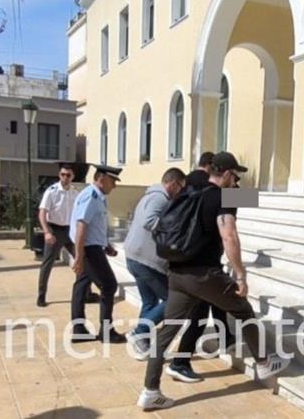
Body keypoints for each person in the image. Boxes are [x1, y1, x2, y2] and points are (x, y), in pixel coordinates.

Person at [137, 152, 290, 411]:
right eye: (236, 177)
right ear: (228, 174)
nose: (236, 182)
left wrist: (248, 196)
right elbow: (229, 236)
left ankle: (150, 391)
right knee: (243, 309)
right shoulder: (222, 197)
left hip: (177, 273)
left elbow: (252, 199)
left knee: (167, 332)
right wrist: (240, 275)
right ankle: (264, 362)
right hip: (204, 273)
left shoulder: (189, 190)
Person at [167, 150, 235, 383]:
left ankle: (224, 337)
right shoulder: (212, 190)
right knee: (202, 311)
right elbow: (233, 213)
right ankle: (180, 361)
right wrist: (235, 193)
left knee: (206, 306)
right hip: (202, 261)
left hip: (184, 258)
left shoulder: (187, 183)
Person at [124, 167, 188, 359]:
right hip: (145, 260)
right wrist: (174, 229)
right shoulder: (160, 198)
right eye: (181, 187)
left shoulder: (150, 195)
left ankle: (141, 343)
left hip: (135, 256)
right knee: (172, 300)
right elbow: (149, 221)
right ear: (173, 184)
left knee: (149, 301)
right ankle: (139, 332)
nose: (182, 192)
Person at [69, 164, 126, 343]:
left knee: (81, 286)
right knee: (109, 285)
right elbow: (81, 226)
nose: (114, 186)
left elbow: (94, 226)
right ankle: (106, 331)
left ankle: (79, 329)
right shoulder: (91, 196)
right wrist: (79, 257)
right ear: (101, 178)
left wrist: (106, 244)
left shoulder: (97, 196)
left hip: (92, 247)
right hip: (89, 249)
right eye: (112, 181)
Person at [37, 163, 79, 307]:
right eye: (62, 174)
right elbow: (42, 213)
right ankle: (41, 296)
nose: (65, 178)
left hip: (70, 231)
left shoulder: (75, 193)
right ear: (59, 175)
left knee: (82, 260)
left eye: (68, 175)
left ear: (72, 176)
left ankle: (85, 293)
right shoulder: (52, 191)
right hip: (55, 230)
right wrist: (47, 232)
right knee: (47, 264)